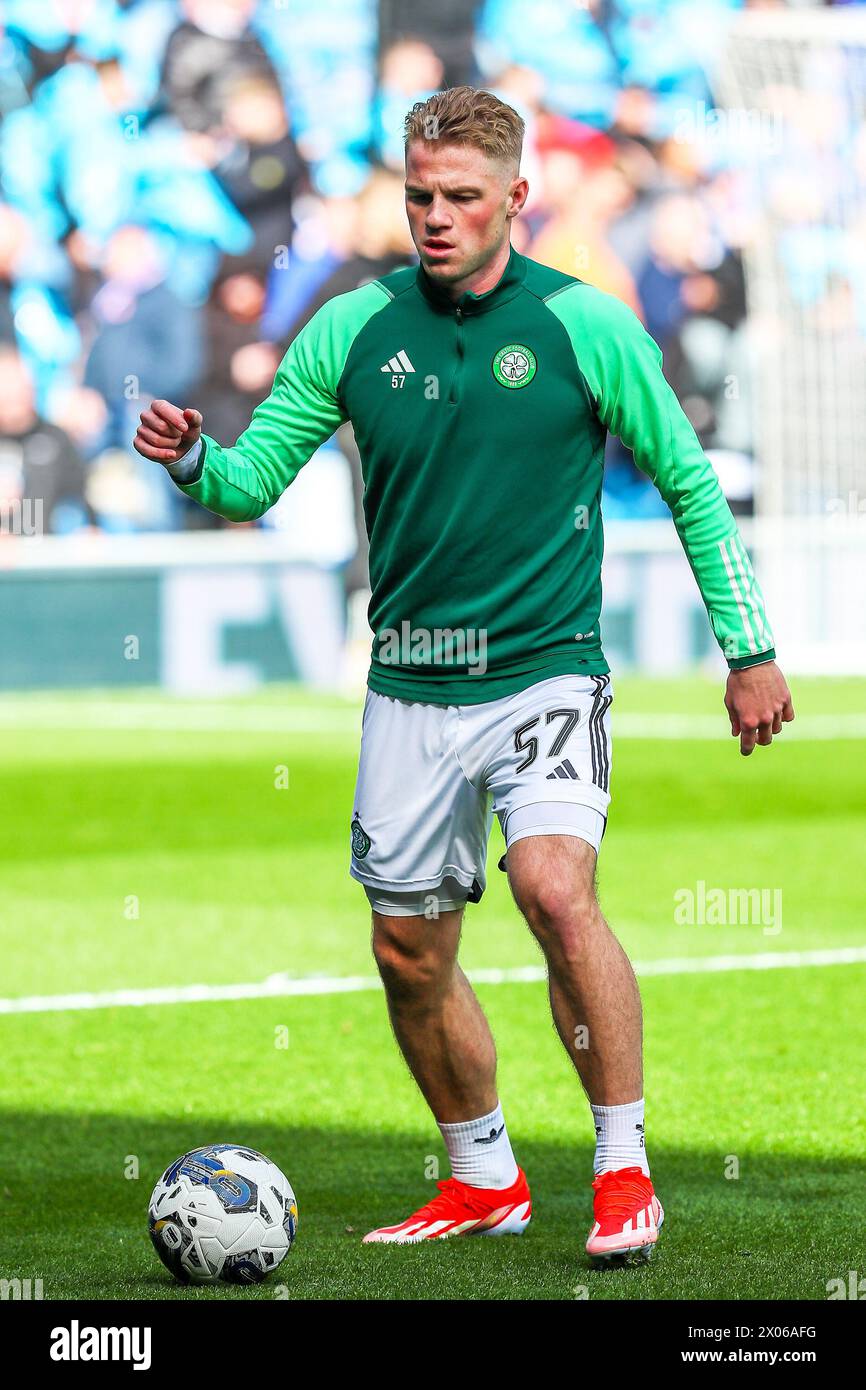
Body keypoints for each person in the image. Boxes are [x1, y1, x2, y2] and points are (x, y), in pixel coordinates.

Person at [133, 86, 794, 1265]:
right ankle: (482, 1173)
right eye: (419, 196)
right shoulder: (347, 328)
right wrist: (194, 461)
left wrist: (746, 650)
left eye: (462, 198)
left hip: (544, 672)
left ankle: (621, 1167)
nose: (436, 217)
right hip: (407, 685)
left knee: (551, 889)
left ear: (515, 200)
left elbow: (689, 482)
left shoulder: (586, 326)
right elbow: (250, 483)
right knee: (408, 953)